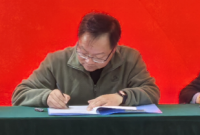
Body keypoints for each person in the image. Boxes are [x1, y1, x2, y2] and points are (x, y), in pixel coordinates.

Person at [12, 11, 160, 109]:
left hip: (116, 133)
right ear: (78, 41)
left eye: (98, 57)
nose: (89, 61)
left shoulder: (130, 58)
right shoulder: (56, 61)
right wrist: (46, 97)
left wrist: (121, 97)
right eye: (82, 53)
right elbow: (20, 94)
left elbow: (151, 92)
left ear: (114, 49)